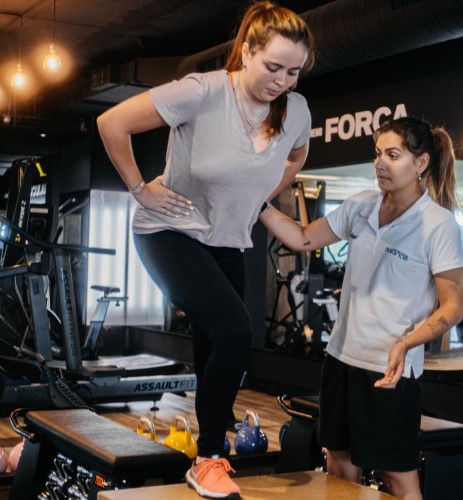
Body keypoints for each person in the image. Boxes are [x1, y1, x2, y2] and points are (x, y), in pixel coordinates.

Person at [97, 2, 313, 498]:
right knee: (236, 334)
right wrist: (138, 188)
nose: (282, 80)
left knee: (214, 344)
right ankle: (210, 457)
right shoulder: (203, 91)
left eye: (294, 71)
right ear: (247, 52)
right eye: (273, 67)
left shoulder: (295, 110)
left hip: (228, 239)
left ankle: (204, 452)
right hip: (167, 231)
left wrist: (260, 195)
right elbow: (112, 123)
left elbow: (297, 153)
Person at [259, 116, 463, 500]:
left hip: (391, 371)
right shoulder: (360, 207)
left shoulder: (438, 225)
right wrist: (260, 204)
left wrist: (406, 344)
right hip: (341, 358)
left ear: (420, 164)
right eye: (377, 154)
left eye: (393, 154)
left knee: (398, 480)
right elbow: (303, 238)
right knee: (339, 469)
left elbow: (452, 308)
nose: (380, 163)